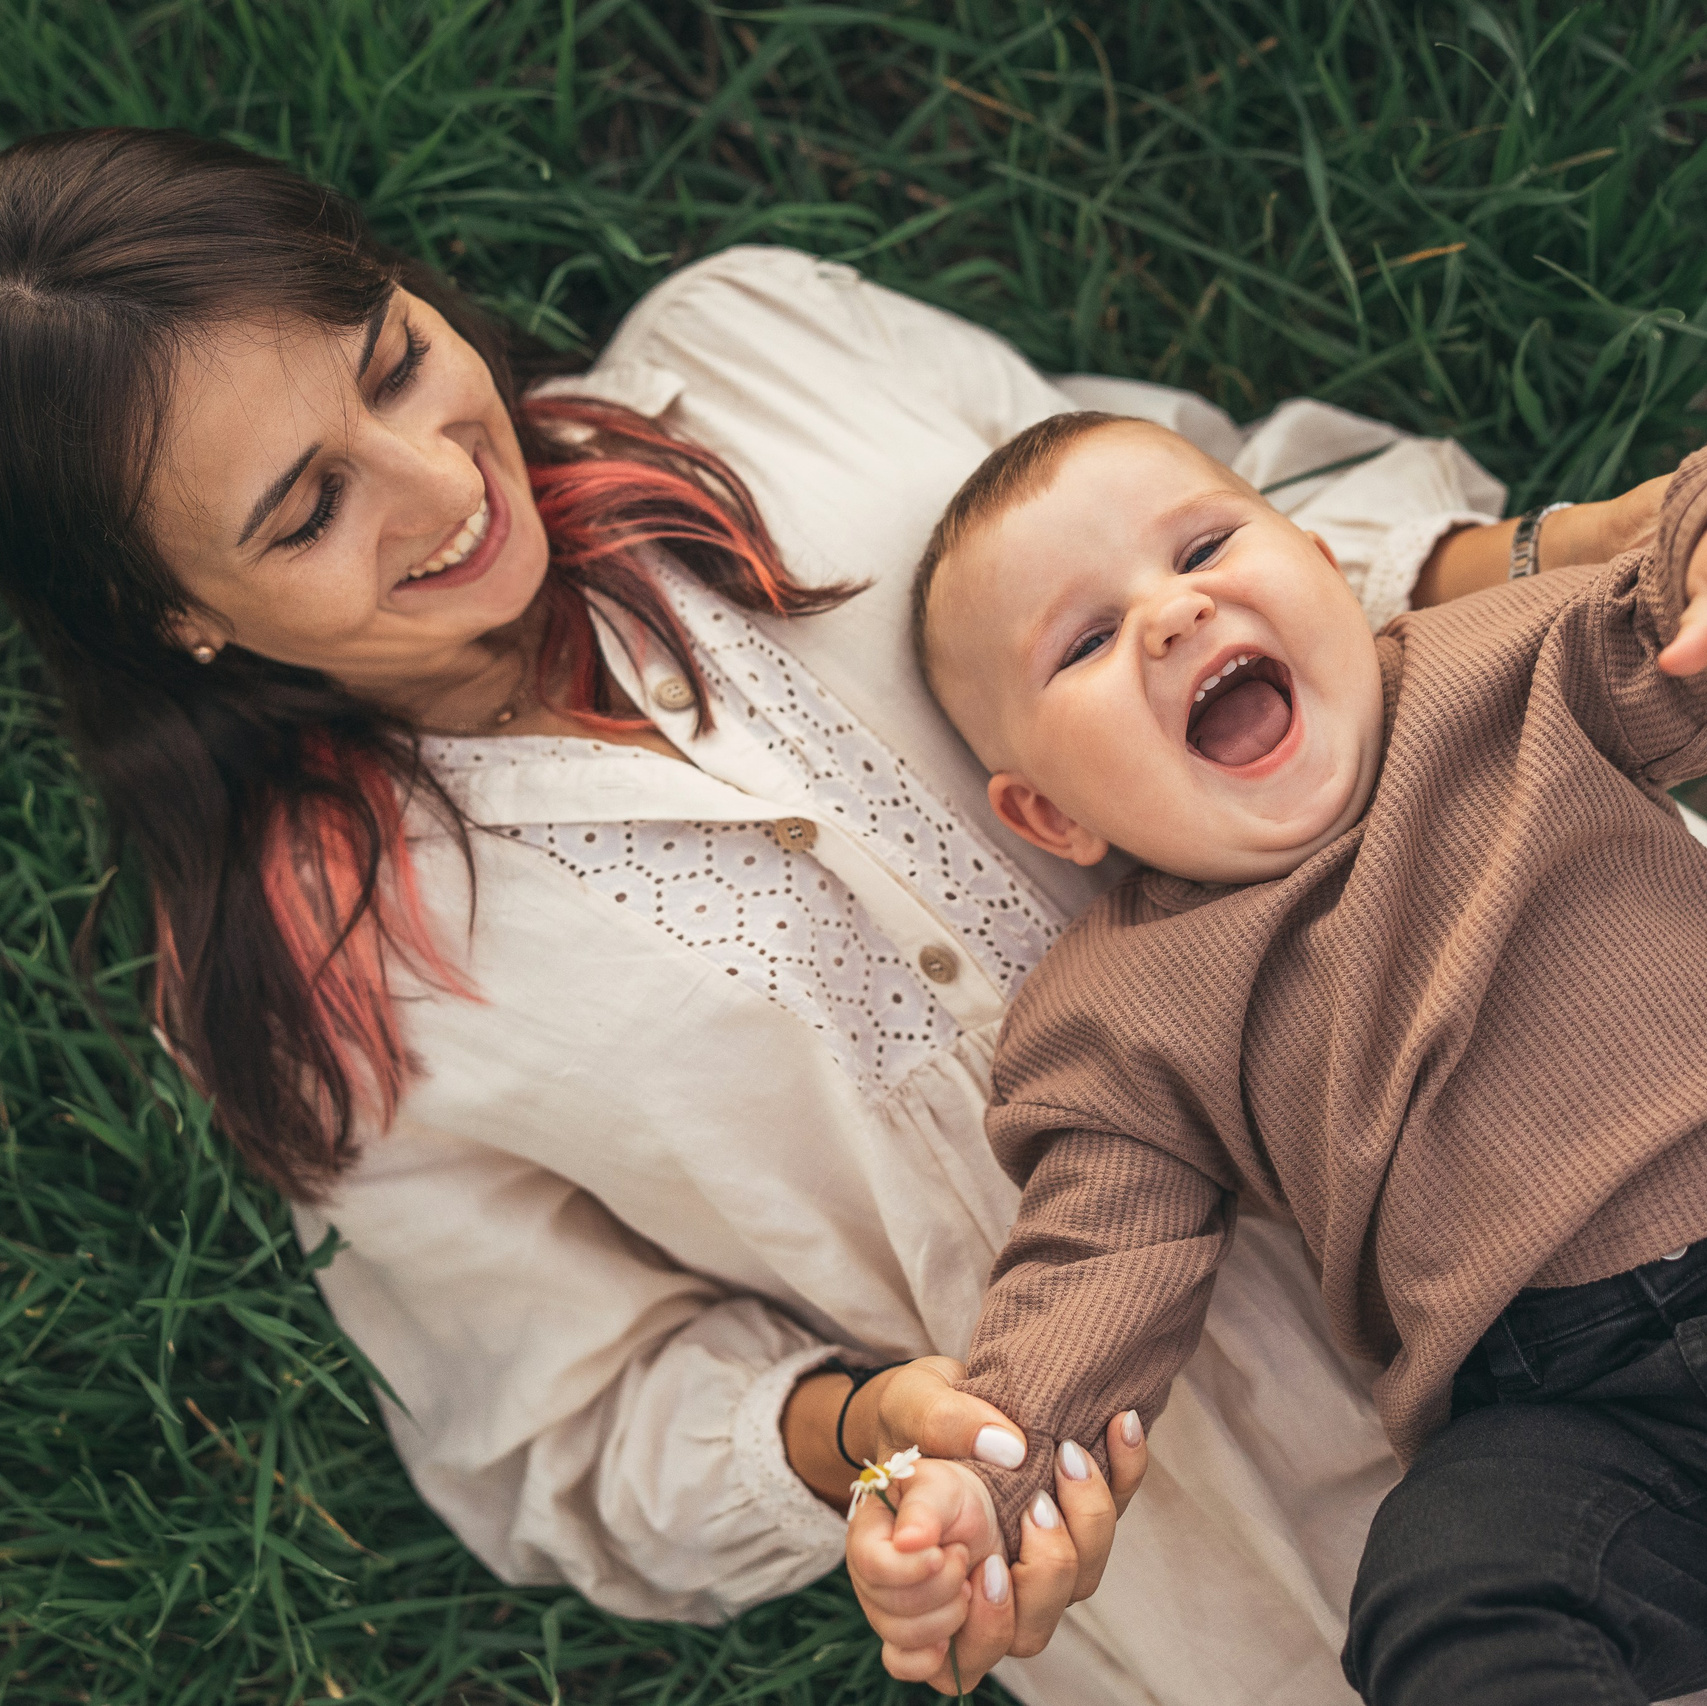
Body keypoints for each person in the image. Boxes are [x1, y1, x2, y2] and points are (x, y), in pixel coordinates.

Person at [0, 125, 1669, 1705]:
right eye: (306, 510)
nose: (435, 482)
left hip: (1629, 1148)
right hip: (1256, 1549)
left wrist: (1589, 553)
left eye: (392, 363)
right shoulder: (323, 991)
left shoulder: (765, 360)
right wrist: (865, 1435)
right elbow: (567, 1424)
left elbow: (1225, 528)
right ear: (171, 613)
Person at [873, 409, 1707, 1703]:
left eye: (1204, 548)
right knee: (1440, 1597)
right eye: (1085, 641)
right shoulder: (1114, 1011)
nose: (1173, 614)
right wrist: (991, 1482)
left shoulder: (1509, 663)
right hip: (1578, 1415)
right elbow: (1091, 1271)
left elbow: (1663, 601)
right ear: (1049, 813)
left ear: (1324, 570)